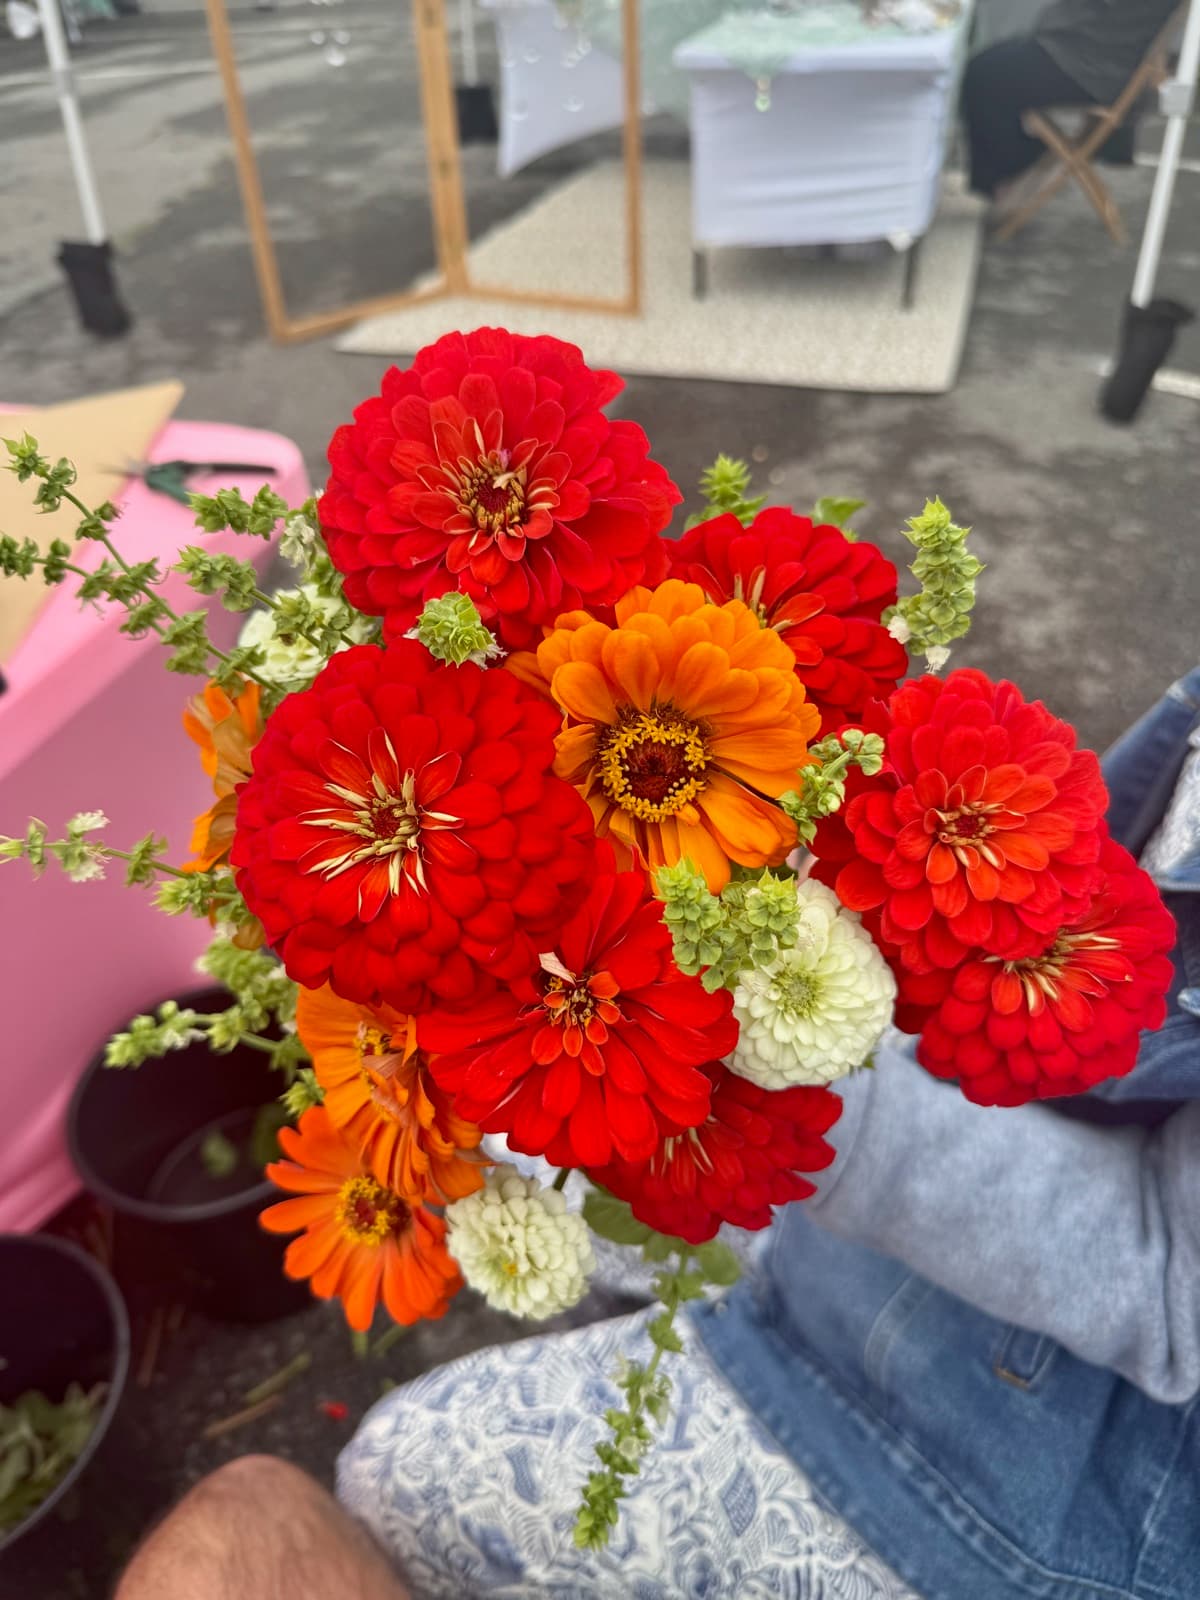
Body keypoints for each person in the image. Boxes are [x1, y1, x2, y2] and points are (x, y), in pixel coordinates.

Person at [118, 668, 1200, 1600]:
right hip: (882, 1233)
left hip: (1019, 1476)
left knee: (345, 1484)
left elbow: (1170, 1286)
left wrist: (794, 1078)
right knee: (545, 1159)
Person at [962, 0, 1183, 199]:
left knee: (984, 74)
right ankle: (1008, 166)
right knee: (991, 66)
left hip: (1091, 64)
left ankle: (1013, 165)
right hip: (1093, 55)